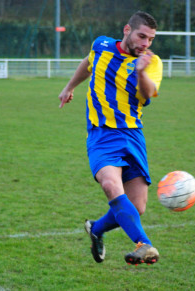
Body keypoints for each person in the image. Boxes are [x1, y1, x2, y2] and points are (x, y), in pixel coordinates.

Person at [57, 11, 163, 266]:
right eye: (141, 36)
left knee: (137, 208)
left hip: (132, 134)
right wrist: (70, 87)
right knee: (110, 184)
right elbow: (87, 62)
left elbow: (147, 95)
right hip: (102, 134)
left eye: (150, 39)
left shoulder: (152, 62)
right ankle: (143, 244)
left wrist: (141, 72)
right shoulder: (101, 45)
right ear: (127, 30)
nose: (145, 44)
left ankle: (97, 229)